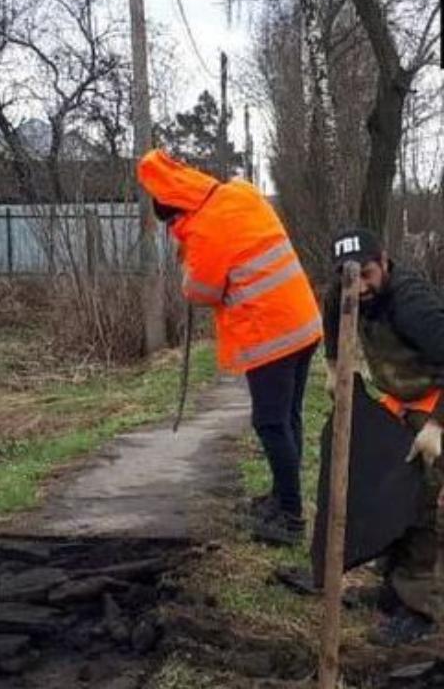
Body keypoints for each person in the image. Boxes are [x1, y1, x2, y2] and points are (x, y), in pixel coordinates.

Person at [137, 148, 322, 546]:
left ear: (177, 212)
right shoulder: (240, 192)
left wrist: (188, 261)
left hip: (270, 333)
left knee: (270, 422)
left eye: (172, 223)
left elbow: (202, 290)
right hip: (303, 322)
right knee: (288, 416)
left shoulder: (204, 230)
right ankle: (281, 497)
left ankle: (290, 518)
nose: (174, 229)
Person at [324, 227, 444, 646]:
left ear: (385, 261)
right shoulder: (348, 289)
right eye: (348, 277)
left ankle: (421, 609)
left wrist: (436, 427)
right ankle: (393, 589)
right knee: (390, 490)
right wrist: (332, 361)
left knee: (423, 503)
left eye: (367, 274)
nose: (359, 287)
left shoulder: (414, 305)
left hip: (435, 401)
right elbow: (330, 305)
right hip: (401, 399)